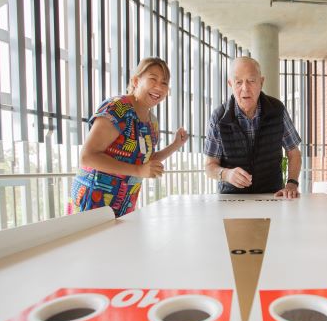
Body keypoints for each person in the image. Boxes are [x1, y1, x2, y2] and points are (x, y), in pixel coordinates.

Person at [68, 57, 188, 217]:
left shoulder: (152, 122)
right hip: (93, 203)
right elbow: (87, 157)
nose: (159, 86)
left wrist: (175, 145)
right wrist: (138, 170)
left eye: (164, 83)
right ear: (136, 81)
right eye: (153, 79)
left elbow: (145, 161)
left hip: (124, 205)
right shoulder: (117, 108)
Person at [204, 56, 302, 198]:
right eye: (238, 82)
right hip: (231, 200)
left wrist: (292, 183)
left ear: (261, 82)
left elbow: (294, 153)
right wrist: (226, 174)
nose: (245, 88)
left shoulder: (277, 110)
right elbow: (209, 167)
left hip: (272, 196)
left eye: (251, 81)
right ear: (230, 84)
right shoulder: (218, 118)